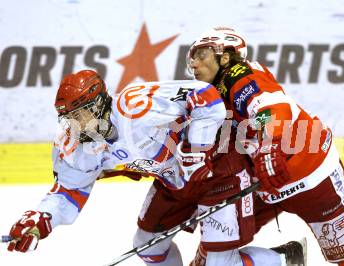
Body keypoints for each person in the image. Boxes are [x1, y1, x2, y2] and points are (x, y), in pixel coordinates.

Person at [187, 26, 344, 266]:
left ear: (225, 57)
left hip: (311, 179)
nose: (193, 64)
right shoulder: (210, 96)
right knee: (214, 250)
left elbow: (270, 110)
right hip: (264, 184)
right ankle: (286, 259)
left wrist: (268, 146)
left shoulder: (240, 77)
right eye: (192, 58)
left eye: (202, 55)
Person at [5, 70, 305, 266]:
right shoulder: (77, 143)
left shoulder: (136, 105)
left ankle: (284, 259)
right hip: (173, 182)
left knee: (218, 263)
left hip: (216, 171)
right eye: (66, 118)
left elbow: (206, 96)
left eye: (78, 114)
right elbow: (69, 191)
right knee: (147, 246)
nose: (72, 124)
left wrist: (196, 150)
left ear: (97, 105)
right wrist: (42, 218)